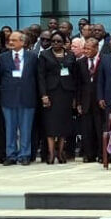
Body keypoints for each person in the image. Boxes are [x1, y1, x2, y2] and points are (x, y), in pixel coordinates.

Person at [0, 32, 40, 165]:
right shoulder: (3, 57)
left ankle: (24, 155)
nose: (11, 42)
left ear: (22, 42)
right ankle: (11, 155)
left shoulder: (32, 57)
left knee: (25, 128)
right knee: (10, 127)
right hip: (8, 97)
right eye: (10, 40)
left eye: (14, 40)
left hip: (27, 96)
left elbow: (37, 77)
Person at [39, 31, 78, 164]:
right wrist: (44, 95)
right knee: (51, 125)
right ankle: (51, 153)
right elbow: (41, 77)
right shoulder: (44, 55)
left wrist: (74, 97)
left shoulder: (71, 55)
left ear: (63, 42)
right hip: (51, 93)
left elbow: (74, 76)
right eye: (53, 41)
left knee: (64, 124)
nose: (56, 43)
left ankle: (61, 152)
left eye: (59, 41)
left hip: (66, 93)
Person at [77, 39, 105, 163]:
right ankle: (89, 154)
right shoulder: (81, 62)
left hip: (99, 100)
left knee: (99, 129)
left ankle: (101, 154)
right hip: (85, 101)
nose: (86, 51)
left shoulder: (104, 60)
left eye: (88, 49)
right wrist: (78, 102)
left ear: (96, 48)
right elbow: (78, 84)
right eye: (85, 48)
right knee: (87, 129)